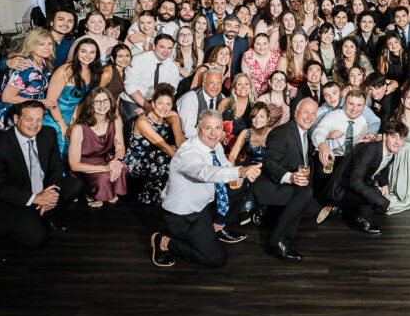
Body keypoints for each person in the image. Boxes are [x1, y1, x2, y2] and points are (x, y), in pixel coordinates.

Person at [150, 110, 262, 268]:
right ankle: (164, 241)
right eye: (208, 128)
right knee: (216, 259)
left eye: (217, 128)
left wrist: (237, 175)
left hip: (204, 207)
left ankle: (216, 226)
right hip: (183, 217)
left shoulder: (215, 146)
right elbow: (204, 173)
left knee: (237, 187)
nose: (214, 133)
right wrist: (240, 171)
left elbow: (224, 166)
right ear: (198, 129)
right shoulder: (188, 153)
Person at [0, 100, 83, 248]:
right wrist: (35, 198)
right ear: (16, 119)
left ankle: (46, 215)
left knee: (76, 185)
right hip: (16, 199)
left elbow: (55, 166)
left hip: (41, 189)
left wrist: (52, 194)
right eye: (28, 119)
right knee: (36, 240)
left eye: (39, 119)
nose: (34, 124)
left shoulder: (48, 133)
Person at [251, 98, 325, 261]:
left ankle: (271, 218)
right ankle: (277, 241)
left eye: (313, 113)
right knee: (305, 193)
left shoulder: (305, 133)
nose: (309, 116)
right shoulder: (282, 132)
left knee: (314, 205)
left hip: (291, 184)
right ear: (296, 113)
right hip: (269, 185)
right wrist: (290, 177)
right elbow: (268, 163)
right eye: (305, 112)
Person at [321, 120, 408, 235]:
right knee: (375, 205)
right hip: (342, 187)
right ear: (385, 136)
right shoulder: (369, 150)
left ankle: (343, 210)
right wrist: (377, 198)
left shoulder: (391, 153)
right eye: (394, 137)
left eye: (401, 138)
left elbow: (382, 168)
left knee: (379, 207)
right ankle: (341, 207)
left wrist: (384, 184)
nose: (398, 142)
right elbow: (355, 182)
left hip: (361, 184)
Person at [124, 83, 185, 206]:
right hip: (138, 161)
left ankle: (178, 194)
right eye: (160, 103)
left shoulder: (171, 115)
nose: (164, 107)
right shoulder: (143, 121)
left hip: (157, 155)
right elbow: (163, 145)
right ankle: (152, 197)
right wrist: (185, 159)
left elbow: (180, 140)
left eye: (168, 104)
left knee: (172, 152)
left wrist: (191, 153)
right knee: (164, 156)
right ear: (152, 104)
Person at [42, 39, 103, 160]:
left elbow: (85, 101)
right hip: (55, 118)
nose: (87, 56)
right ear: (76, 53)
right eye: (83, 51)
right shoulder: (64, 71)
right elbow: (51, 102)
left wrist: (74, 121)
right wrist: (63, 126)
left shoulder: (94, 72)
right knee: (60, 153)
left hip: (76, 117)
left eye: (92, 52)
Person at [67, 86, 127, 208]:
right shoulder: (79, 128)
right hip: (85, 165)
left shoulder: (115, 120)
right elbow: (73, 165)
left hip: (106, 159)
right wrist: (105, 168)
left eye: (105, 100)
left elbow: (120, 146)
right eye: (97, 102)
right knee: (103, 177)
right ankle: (89, 193)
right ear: (91, 104)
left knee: (123, 168)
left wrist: (117, 161)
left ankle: (107, 190)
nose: (102, 105)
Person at [0, 28, 54, 131]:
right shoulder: (25, 68)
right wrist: (41, 102)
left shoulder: (43, 63)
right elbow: (7, 97)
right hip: (9, 114)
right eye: (41, 44)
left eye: (50, 44)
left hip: (26, 112)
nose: (47, 48)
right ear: (31, 45)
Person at [119, 34, 181, 137]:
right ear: (153, 46)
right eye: (162, 47)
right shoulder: (138, 60)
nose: (165, 51)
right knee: (133, 124)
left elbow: (170, 92)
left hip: (157, 102)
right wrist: (147, 107)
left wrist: (154, 108)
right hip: (133, 100)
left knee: (168, 124)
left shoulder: (173, 67)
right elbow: (131, 87)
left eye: (169, 48)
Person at [178, 68, 227, 140]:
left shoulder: (222, 98)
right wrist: (212, 137)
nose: (215, 86)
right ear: (203, 83)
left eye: (219, 83)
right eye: (211, 82)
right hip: (191, 144)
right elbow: (187, 130)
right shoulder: (190, 98)